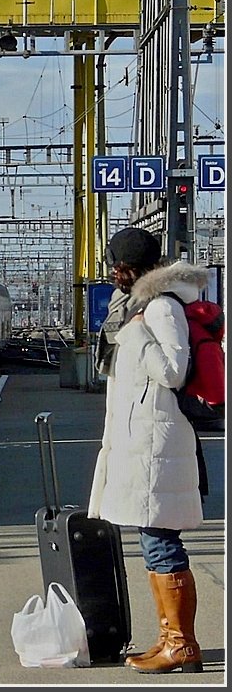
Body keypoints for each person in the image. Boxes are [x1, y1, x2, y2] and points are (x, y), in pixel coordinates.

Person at [87, 226, 209, 674]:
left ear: (131, 268)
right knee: (154, 540)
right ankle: (172, 640)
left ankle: (181, 644)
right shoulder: (144, 307)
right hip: (146, 444)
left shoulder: (160, 308)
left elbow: (175, 372)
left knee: (161, 542)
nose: (113, 274)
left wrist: (135, 335)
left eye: (116, 266)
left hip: (158, 446)